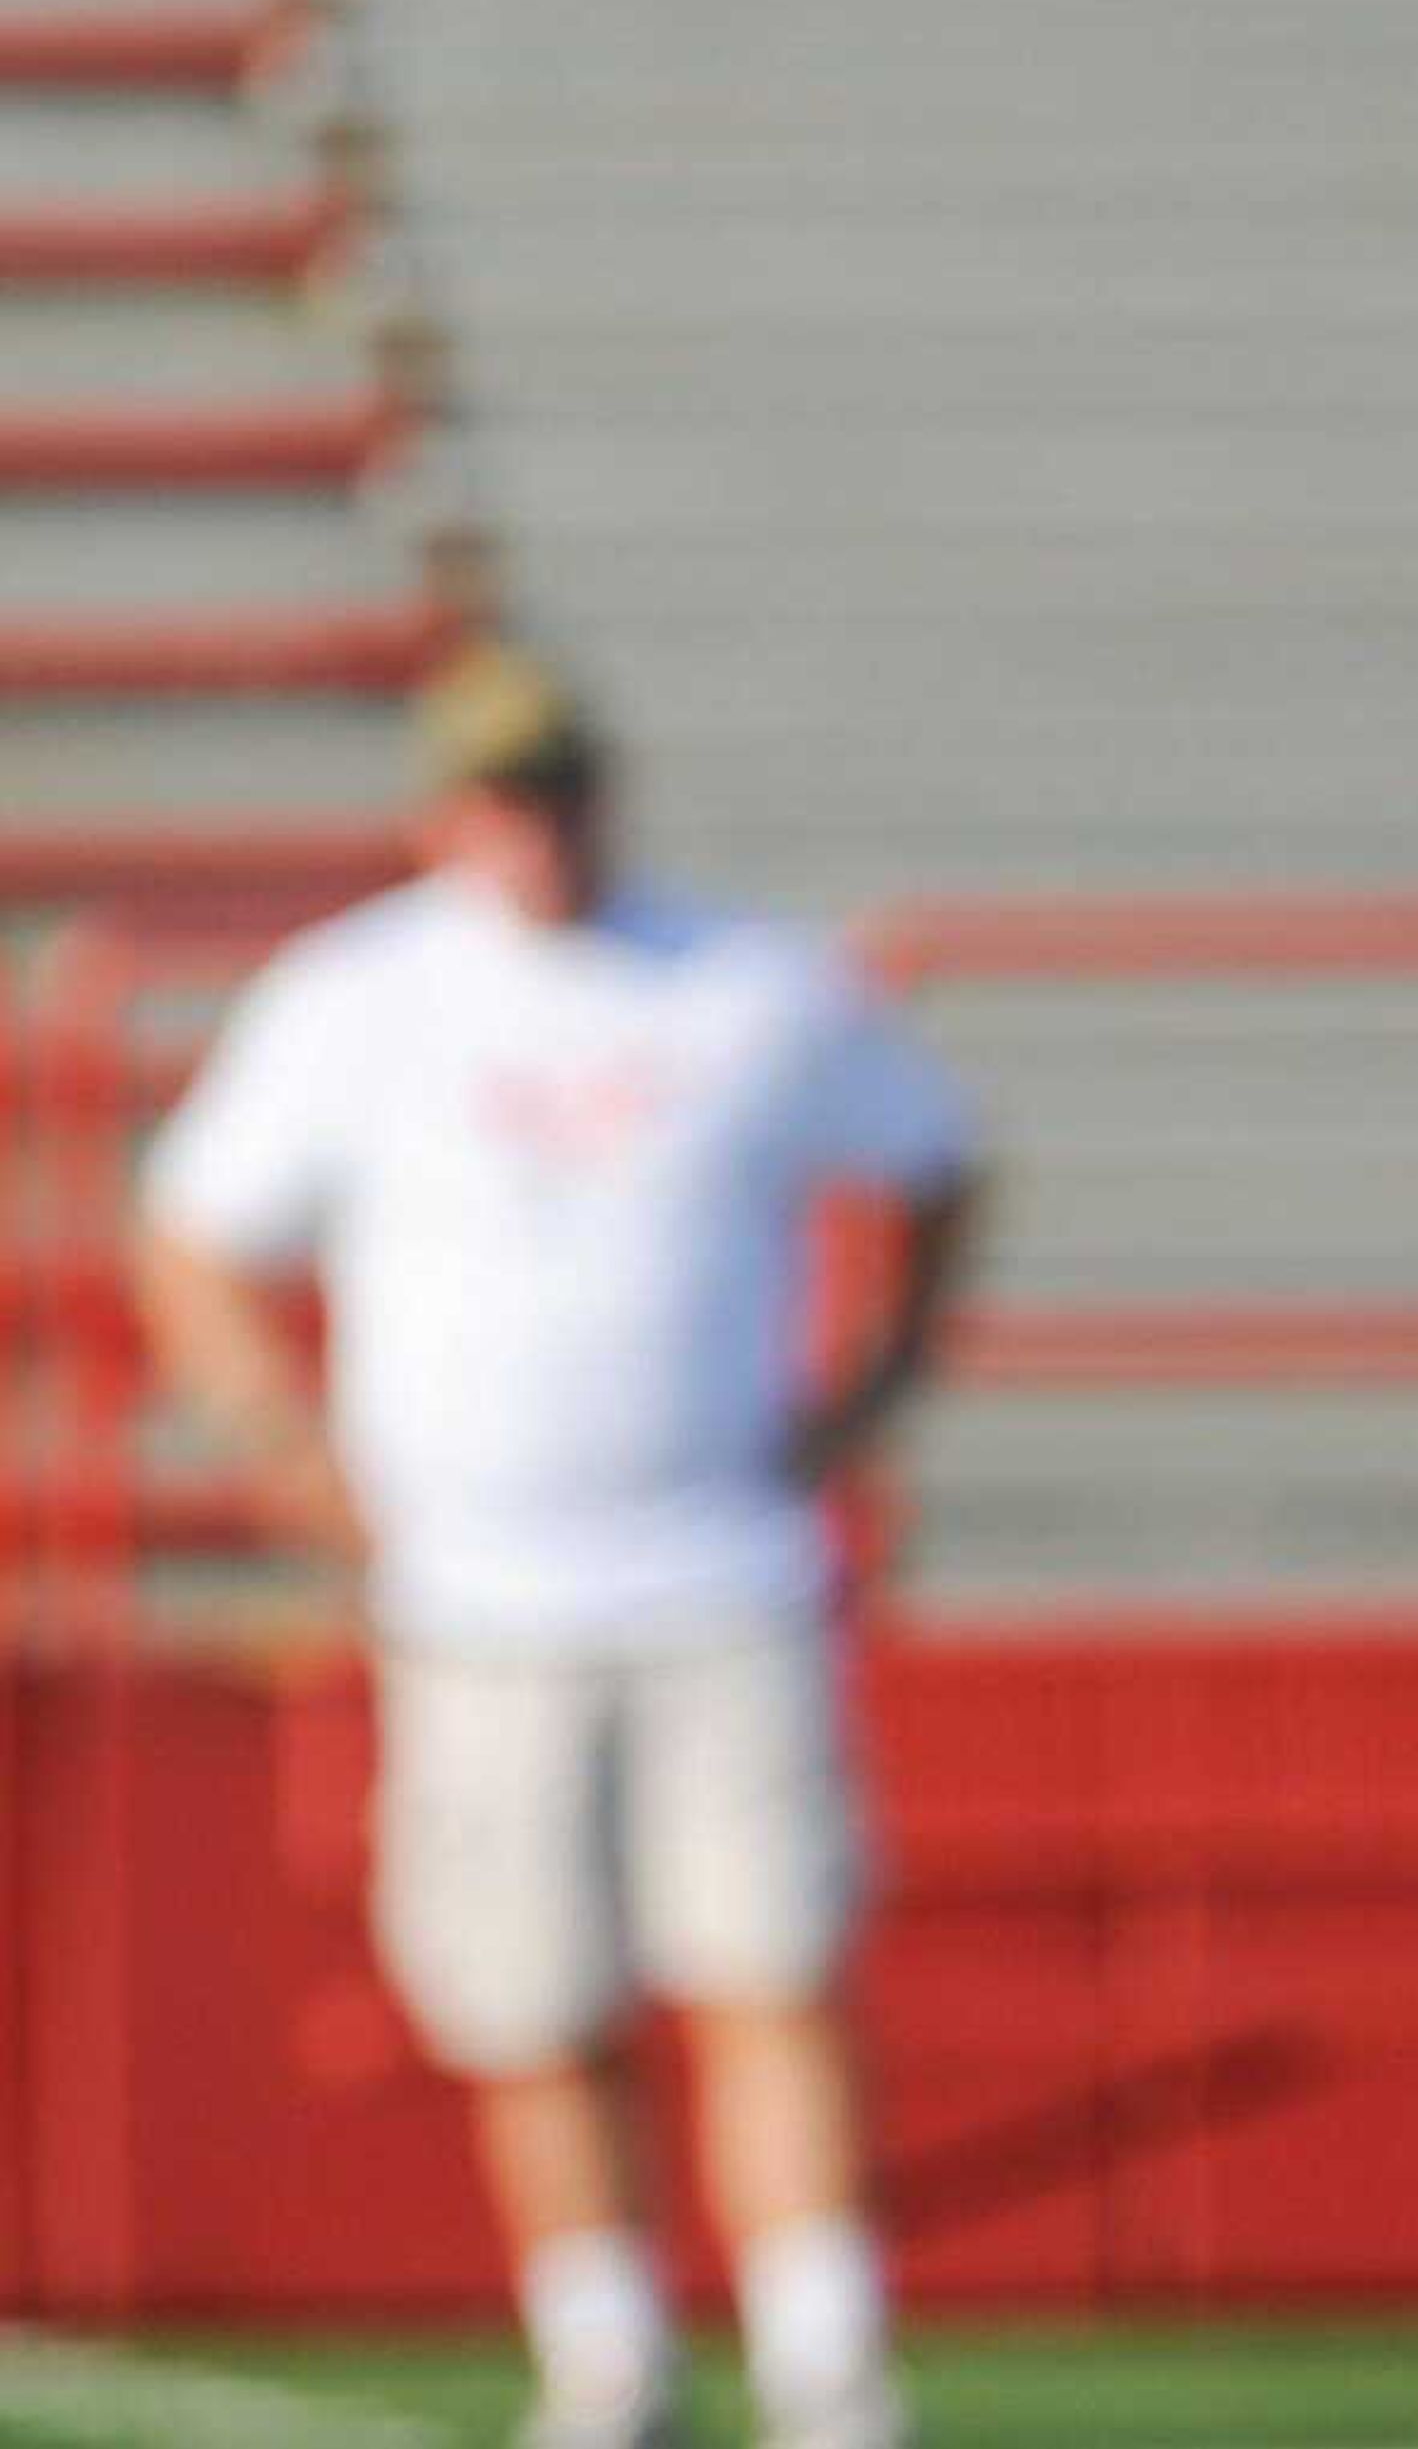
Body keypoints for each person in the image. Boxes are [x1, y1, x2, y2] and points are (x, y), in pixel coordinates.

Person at [134, 641, 979, 2449]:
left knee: (769, 1969)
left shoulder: (745, 980)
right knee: (534, 2002)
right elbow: (195, 1233)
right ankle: (606, 2359)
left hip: (720, 1572)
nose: (534, 830)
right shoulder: (357, 998)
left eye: (557, 790)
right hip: (477, 1595)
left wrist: (872, 1388)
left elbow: (935, 1160)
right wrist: (284, 1448)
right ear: (447, 816)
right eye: (500, 797)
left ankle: (827, 2366)